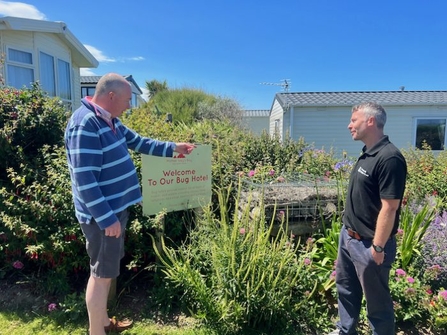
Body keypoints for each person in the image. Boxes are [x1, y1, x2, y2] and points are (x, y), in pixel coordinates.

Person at [64, 73, 195, 335]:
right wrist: (106, 217)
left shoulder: (110, 120)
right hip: (104, 217)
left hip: (114, 212)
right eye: (127, 99)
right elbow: (84, 179)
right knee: (101, 277)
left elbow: (140, 143)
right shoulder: (86, 124)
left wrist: (173, 148)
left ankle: (103, 323)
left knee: (106, 271)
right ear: (110, 96)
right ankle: (96, 331)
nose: (130, 105)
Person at [329, 102, 407, 335]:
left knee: (377, 304)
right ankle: (345, 330)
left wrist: (378, 247)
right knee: (346, 290)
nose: (349, 125)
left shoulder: (389, 158)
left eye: (354, 120)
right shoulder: (368, 153)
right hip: (350, 237)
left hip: (370, 245)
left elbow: (390, 208)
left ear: (370, 121)